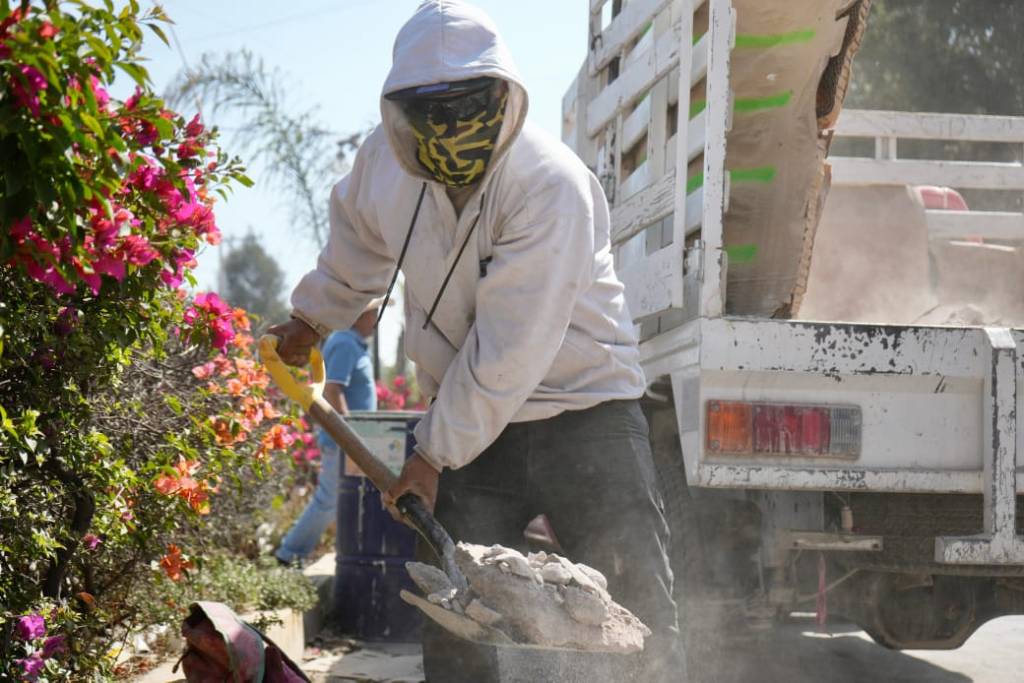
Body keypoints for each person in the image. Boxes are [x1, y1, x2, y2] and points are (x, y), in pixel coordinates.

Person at [267, 1, 685, 680]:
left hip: (586, 413)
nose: (452, 135)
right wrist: (310, 318)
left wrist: (431, 454)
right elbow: (355, 252)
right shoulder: (382, 166)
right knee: (459, 618)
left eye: (467, 116)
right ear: (401, 119)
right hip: (471, 427)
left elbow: (508, 351)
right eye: (433, 120)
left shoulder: (551, 185)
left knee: (636, 617)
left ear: (500, 102)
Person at [274, 301, 380, 566]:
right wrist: (349, 437)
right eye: (373, 313)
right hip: (343, 439)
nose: (376, 320)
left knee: (340, 500)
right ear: (359, 315)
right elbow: (332, 391)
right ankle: (288, 556)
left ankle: (298, 554)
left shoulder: (352, 344)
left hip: (349, 438)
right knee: (328, 500)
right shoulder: (345, 342)